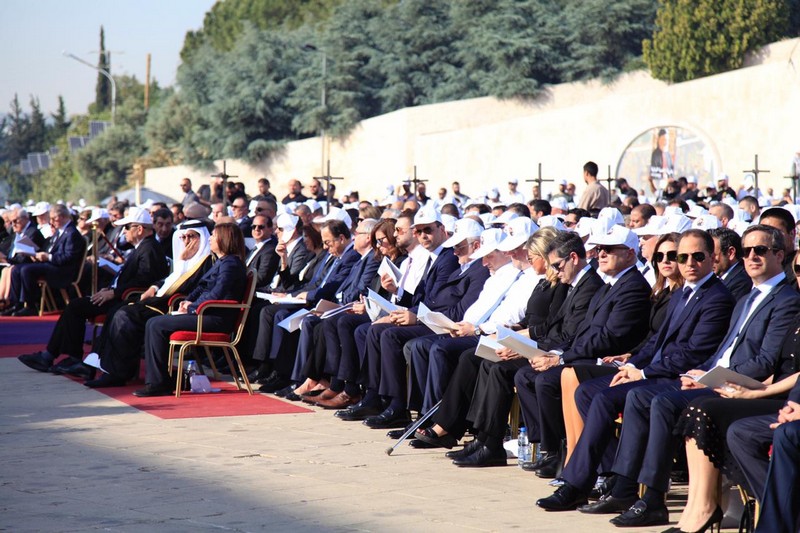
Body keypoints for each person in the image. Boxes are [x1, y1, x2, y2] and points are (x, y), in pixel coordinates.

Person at [516, 226, 652, 479]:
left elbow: (609, 337)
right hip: (593, 355)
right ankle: (564, 453)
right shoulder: (609, 286)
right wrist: (558, 355)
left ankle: (582, 460)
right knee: (534, 374)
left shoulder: (632, 286)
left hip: (608, 360)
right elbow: (582, 332)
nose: (601, 254)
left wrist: (561, 357)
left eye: (609, 250)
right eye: (599, 249)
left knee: (551, 379)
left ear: (630, 254)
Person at [558, 232, 683, 466]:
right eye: (659, 256)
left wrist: (636, 364)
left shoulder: (668, 293)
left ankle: (592, 464)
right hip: (638, 360)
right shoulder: (664, 292)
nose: (665, 261)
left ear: (630, 254)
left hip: (659, 372)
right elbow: (652, 338)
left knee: (572, 375)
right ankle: (576, 458)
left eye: (673, 256)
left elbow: (616, 336)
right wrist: (632, 355)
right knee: (566, 376)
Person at [17, 207, 170, 376]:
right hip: (119, 295)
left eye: (126, 227)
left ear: (139, 229)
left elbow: (144, 280)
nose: (123, 232)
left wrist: (114, 292)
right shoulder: (144, 246)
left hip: (127, 300)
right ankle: (58, 355)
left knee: (76, 307)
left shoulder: (149, 248)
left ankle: (60, 357)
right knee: (76, 306)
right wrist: (111, 288)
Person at [83, 222, 214, 387]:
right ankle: (107, 367)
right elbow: (170, 279)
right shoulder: (187, 259)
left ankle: (117, 373)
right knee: (119, 311)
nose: (187, 241)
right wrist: (154, 286)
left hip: (173, 306)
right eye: (184, 237)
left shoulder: (206, 261)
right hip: (160, 301)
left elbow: (195, 289)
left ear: (201, 237)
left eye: (192, 236)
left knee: (124, 315)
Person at [133, 222, 248, 397]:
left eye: (214, 236)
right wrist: (187, 301)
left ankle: (158, 383)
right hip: (204, 313)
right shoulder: (222, 262)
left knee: (156, 324)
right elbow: (202, 288)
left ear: (225, 239)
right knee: (153, 323)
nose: (209, 239)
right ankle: (160, 380)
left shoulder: (231, 264)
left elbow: (217, 293)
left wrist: (192, 307)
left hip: (214, 318)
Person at [4, 204, 85, 316]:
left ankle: (31, 305)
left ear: (63, 217)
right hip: (52, 265)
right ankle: (16, 304)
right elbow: (49, 249)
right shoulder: (59, 231)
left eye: (53, 218)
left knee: (26, 270)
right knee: (16, 269)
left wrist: (48, 257)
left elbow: (69, 257)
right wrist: (36, 255)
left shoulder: (72, 233)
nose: (51, 222)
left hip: (63, 269)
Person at [708, 227, 751, 300]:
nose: (709, 260)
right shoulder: (716, 278)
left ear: (730, 253)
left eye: (713, 255)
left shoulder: (742, 283)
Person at [245, 214, 279, 291]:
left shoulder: (270, 250)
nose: (256, 229)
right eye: (254, 226)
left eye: (261, 227)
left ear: (270, 230)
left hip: (255, 295)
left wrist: (238, 282)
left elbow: (262, 278)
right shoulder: (254, 249)